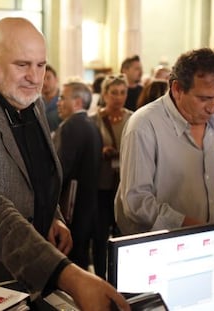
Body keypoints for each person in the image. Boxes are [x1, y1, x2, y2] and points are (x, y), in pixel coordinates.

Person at [0, 17, 129, 311]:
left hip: (23, 278)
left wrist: (51, 215)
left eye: (41, 65)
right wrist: (71, 276)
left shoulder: (32, 103)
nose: (34, 77)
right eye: (22, 65)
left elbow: (36, 172)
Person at [115, 48, 214, 235]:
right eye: (204, 98)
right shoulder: (144, 125)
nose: (212, 107)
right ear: (177, 89)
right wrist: (191, 226)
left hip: (202, 240)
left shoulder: (212, 117)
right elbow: (136, 202)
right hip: (156, 249)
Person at [53, 81, 102, 271]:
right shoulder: (92, 125)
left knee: (71, 262)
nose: (58, 102)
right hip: (88, 206)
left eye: (62, 98)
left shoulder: (71, 126)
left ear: (77, 102)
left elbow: (60, 170)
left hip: (71, 208)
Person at [91, 74, 133, 279]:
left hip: (124, 185)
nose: (118, 97)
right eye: (114, 93)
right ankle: (99, 277)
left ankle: (121, 278)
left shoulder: (133, 118)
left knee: (122, 233)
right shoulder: (93, 120)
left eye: (122, 93)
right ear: (105, 94)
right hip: (101, 185)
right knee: (100, 234)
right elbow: (87, 151)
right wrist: (99, 151)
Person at [42, 64, 62, 131]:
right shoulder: (34, 102)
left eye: (48, 78)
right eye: (42, 78)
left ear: (56, 79)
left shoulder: (64, 101)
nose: (44, 82)